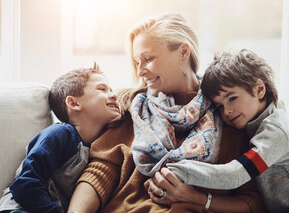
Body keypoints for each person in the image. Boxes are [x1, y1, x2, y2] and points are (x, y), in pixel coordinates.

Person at [68, 14, 266, 213]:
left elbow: (251, 203)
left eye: (148, 59)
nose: (141, 71)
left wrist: (197, 199)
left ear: (183, 52)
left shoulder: (229, 113)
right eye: (137, 62)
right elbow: (99, 173)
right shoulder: (131, 109)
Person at [167, 49, 289, 213]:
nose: (227, 111)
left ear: (259, 89)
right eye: (220, 106)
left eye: (232, 98)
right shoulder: (249, 129)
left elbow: (235, 174)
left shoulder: (277, 129)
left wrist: (178, 170)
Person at [0, 63, 120, 213]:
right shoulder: (60, 134)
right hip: (18, 208)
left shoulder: (100, 149)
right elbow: (25, 184)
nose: (114, 95)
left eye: (111, 90)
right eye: (102, 89)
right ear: (73, 103)